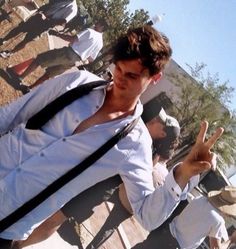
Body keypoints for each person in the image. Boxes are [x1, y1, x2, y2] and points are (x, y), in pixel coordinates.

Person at [0, 25, 223, 249]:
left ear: (154, 78)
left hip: (7, 222)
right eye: (118, 68)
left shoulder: (134, 143)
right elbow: (10, 116)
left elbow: (148, 216)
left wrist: (183, 175)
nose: (119, 79)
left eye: (132, 75)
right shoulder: (77, 82)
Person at [13, 106, 180, 249]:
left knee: (55, 218)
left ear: (163, 133)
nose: (155, 119)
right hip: (90, 181)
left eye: (160, 122)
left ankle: (18, 245)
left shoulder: (147, 152)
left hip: (95, 189)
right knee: (48, 209)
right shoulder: (139, 132)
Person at [4, 19, 107, 89]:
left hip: (68, 53)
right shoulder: (101, 43)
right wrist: (84, 52)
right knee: (49, 74)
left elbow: (72, 39)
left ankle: (20, 78)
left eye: (98, 23)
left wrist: (57, 34)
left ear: (101, 26)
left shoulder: (90, 31)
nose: (95, 23)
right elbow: (91, 59)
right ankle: (29, 88)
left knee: (39, 59)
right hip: (74, 61)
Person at [133, 186, 236, 249]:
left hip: (164, 232)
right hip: (173, 246)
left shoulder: (201, 199)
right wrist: (231, 240)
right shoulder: (218, 221)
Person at [0, 0, 77, 57]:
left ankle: (9, 53)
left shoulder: (73, 8)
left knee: (27, 39)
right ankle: (3, 40)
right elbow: (50, 4)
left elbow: (62, 22)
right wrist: (40, 9)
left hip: (46, 25)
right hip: (39, 17)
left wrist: (48, 19)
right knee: (20, 28)